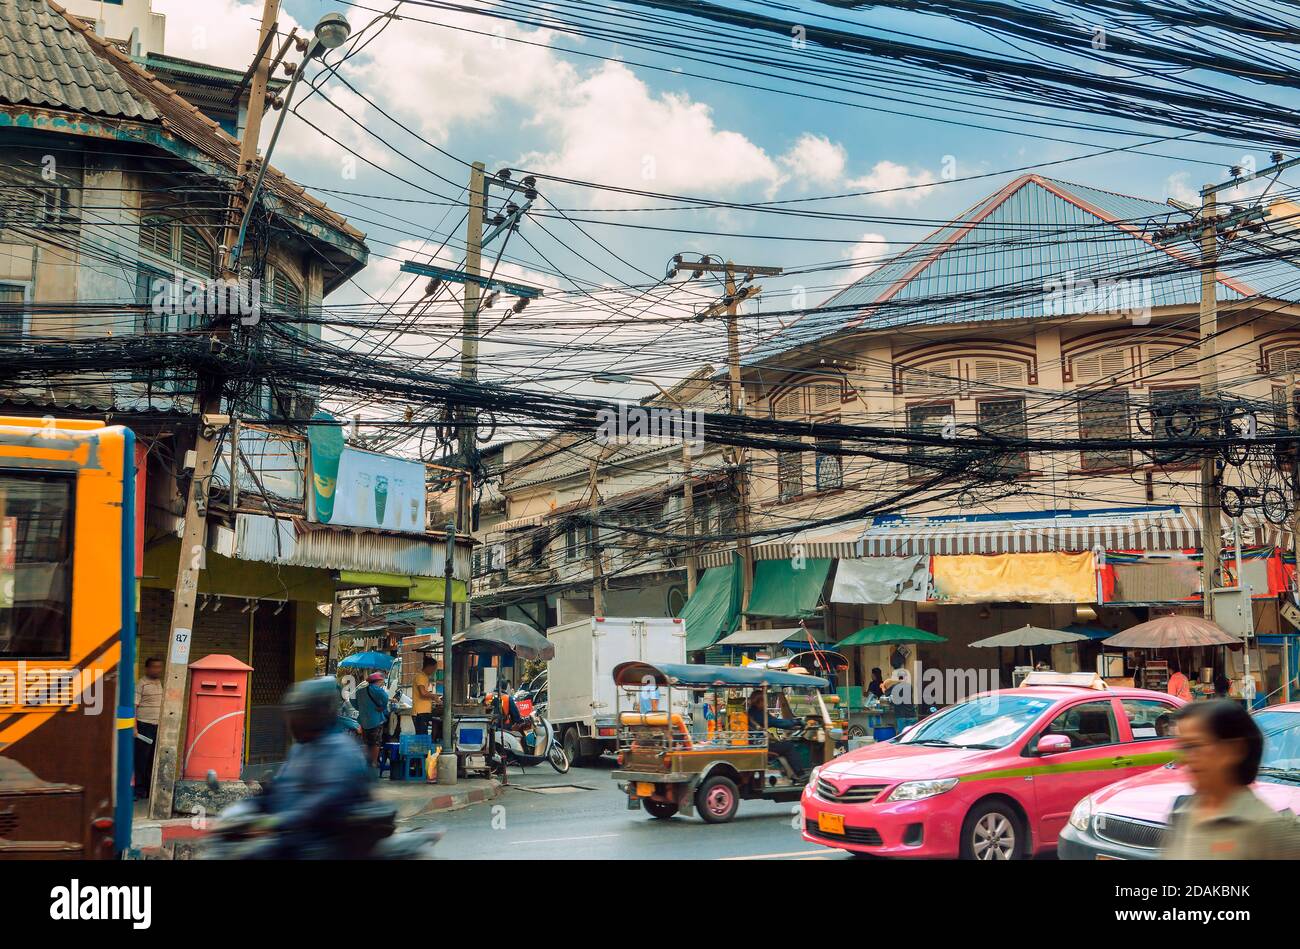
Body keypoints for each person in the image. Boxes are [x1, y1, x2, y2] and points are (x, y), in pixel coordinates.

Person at [1161, 700, 1300, 860]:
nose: (1185, 760)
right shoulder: (1182, 812)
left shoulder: (1269, 829)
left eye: (1194, 746)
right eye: (1183, 747)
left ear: (1234, 750)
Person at [259, 678, 374, 859]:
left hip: (327, 840)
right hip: (293, 835)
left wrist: (278, 821)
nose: (294, 721)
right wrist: (247, 807)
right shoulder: (301, 748)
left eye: (301, 714)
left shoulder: (342, 750)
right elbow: (280, 786)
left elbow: (326, 799)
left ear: (317, 713)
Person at [133, 657, 164, 800]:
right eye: (154, 667)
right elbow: (135, 706)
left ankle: (149, 790)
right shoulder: (141, 683)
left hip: (157, 726)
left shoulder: (159, 682)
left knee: (153, 759)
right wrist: (134, 728)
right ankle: (139, 790)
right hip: (144, 726)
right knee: (142, 760)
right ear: (147, 668)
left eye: (159, 667)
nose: (157, 670)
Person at [355, 672, 391, 767]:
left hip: (363, 720)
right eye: (382, 681)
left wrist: (360, 708)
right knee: (376, 742)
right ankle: (374, 762)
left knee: (367, 742)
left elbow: (352, 700)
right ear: (378, 681)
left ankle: (368, 762)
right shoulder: (377, 690)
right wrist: (382, 707)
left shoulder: (359, 691)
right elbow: (385, 697)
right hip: (376, 719)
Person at [413, 657, 440, 738]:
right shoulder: (421, 677)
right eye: (434, 668)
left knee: (423, 734)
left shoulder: (424, 677)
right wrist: (434, 696)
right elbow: (423, 693)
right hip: (420, 711)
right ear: (428, 667)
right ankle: (422, 750)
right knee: (422, 735)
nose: (434, 671)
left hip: (423, 711)